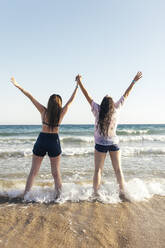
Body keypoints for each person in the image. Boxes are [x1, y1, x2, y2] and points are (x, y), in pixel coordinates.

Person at [75, 72, 142, 200]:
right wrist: (133, 81)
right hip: (113, 144)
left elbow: (87, 95)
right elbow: (126, 94)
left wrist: (80, 82)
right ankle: (123, 193)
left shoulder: (97, 110)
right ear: (111, 104)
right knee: (118, 170)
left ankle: (96, 194)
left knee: (98, 170)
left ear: (103, 103)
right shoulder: (116, 110)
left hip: (100, 144)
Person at [10, 76, 78, 199]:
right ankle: (59, 197)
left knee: (33, 171)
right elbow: (71, 100)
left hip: (42, 140)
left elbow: (30, 96)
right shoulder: (61, 113)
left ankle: (26, 195)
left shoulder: (43, 111)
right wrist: (77, 85)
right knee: (56, 173)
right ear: (59, 104)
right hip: (54, 141)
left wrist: (17, 85)